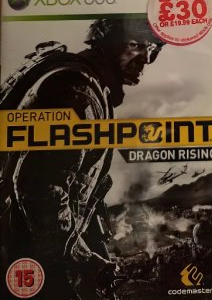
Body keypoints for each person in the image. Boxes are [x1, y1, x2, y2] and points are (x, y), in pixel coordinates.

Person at [0, 18, 166, 299]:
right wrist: (81, 257)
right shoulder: (77, 92)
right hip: (33, 254)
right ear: (107, 42)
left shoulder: (85, 85)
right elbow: (42, 189)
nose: (146, 59)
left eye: (153, 50)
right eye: (137, 45)